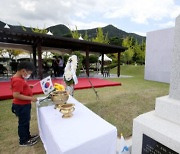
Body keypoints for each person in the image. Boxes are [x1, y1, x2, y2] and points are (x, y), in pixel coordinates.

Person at [11, 61, 39, 146]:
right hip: (21, 106)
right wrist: (31, 98)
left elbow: (15, 88)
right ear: (23, 71)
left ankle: (27, 136)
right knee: (23, 123)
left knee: (26, 121)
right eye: (28, 73)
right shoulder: (18, 80)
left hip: (24, 105)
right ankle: (23, 141)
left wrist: (27, 87)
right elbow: (16, 95)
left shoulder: (18, 78)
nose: (28, 75)